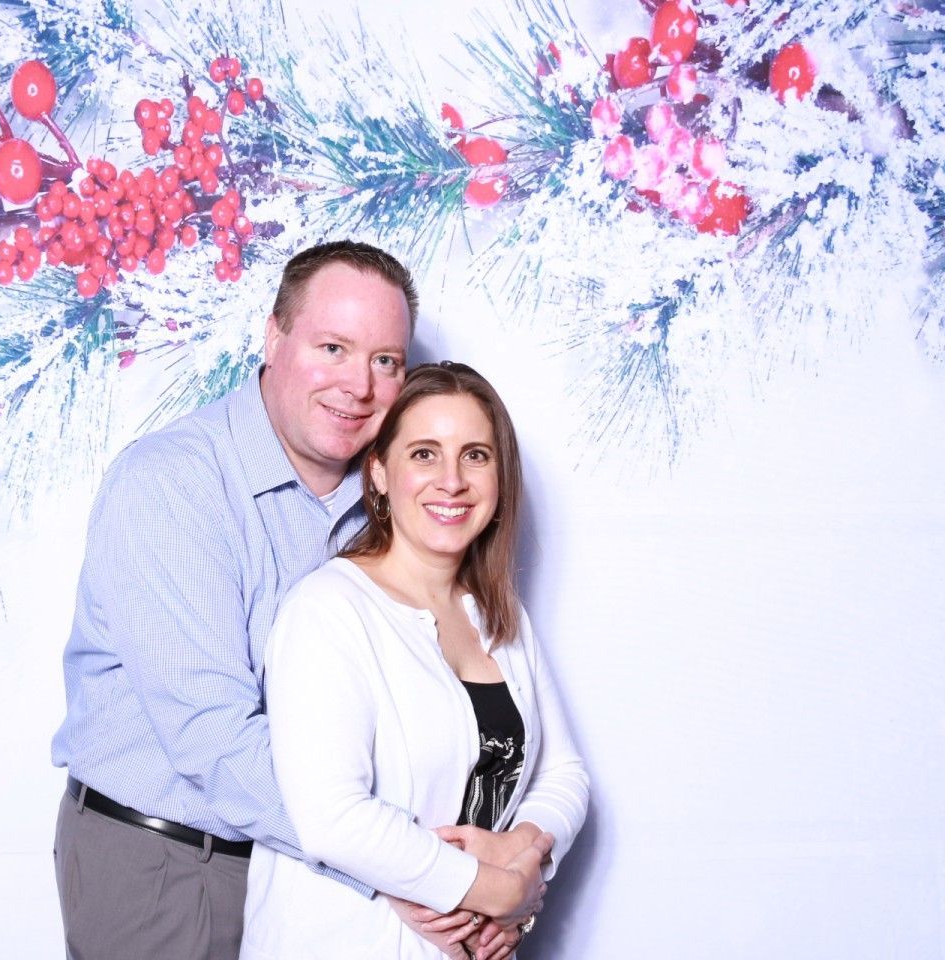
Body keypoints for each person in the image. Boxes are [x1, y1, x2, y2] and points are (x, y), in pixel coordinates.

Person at [50, 240, 420, 960]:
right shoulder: (172, 485)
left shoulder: (385, 500)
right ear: (273, 335)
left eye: (386, 361)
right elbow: (214, 740)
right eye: (334, 347)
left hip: (307, 865)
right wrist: (406, 862)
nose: (359, 385)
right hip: (167, 862)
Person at [241, 362, 590, 959]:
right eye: (424, 454)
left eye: (476, 455)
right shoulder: (328, 611)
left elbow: (565, 774)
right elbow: (333, 816)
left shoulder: (499, 617)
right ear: (378, 473)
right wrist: (490, 889)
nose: (451, 481)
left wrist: (524, 855)